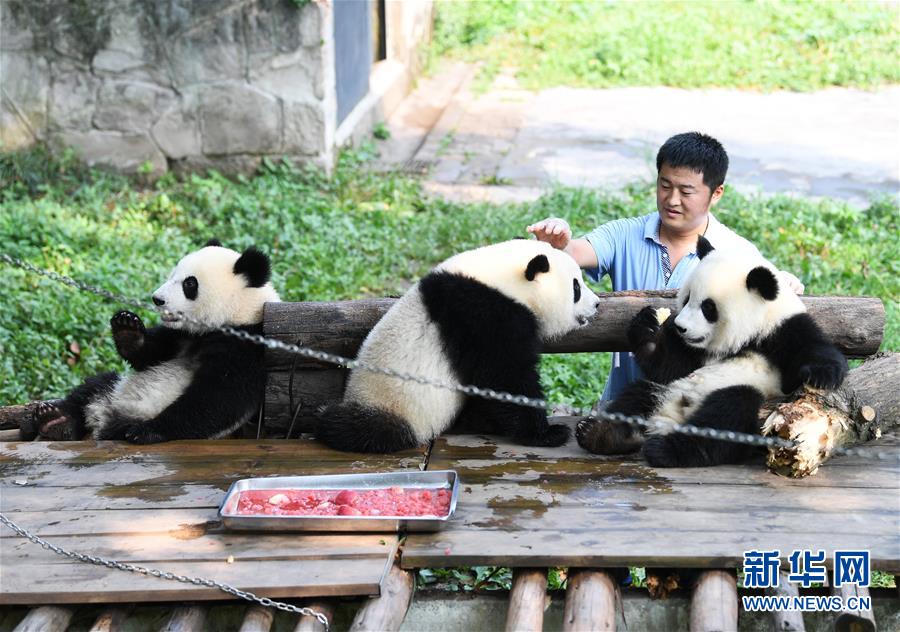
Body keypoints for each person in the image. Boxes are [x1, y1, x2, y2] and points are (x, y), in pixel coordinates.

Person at [527, 131, 804, 401]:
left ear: (716, 193)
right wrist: (559, 242)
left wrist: (786, 284)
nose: (672, 200)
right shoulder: (625, 234)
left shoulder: (737, 254)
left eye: (686, 191)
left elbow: (770, 301)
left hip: (693, 408)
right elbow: (575, 252)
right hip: (622, 405)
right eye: (665, 185)